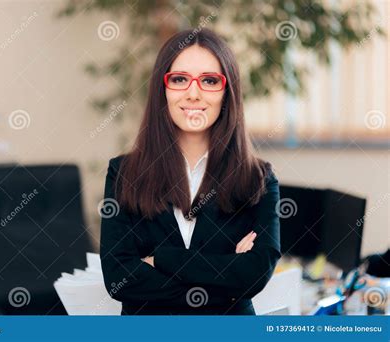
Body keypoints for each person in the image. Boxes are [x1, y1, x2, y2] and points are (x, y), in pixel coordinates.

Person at [100, 28, 281, 315]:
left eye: (209, 81)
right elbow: (118, 279)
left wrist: (159, 259)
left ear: (227, 92)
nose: (193, 93)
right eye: (180, 79)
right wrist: (225, 282)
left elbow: (255, 274)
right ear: (163, 90)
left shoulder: (258, 178)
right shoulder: (124, 172)